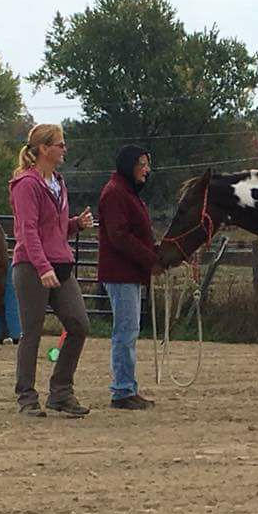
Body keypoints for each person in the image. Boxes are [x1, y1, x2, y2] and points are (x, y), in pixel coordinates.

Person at [9, 124, 94, 418]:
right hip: (32, 267)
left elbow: (52, 229)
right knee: (31, 331)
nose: (64, 149)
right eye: (60, 144)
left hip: (60, 265)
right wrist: (42, 266)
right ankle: (26, 397)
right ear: (44, 149)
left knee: (79, 324)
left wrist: (74, 224)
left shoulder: (58, 182)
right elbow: (27, 232)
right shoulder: (26, 185)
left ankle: (60, 391)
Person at [97, 144, 160, 410]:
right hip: (122, 273)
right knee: (126, 331)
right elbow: (120, 236)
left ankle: (127, 387)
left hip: (129, 272)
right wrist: (151, 259)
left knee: (128, 330)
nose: (146, 169)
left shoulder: (125, 193)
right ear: (129, 165)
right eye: (142, 164)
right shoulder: (116, 194)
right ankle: (122, 390)